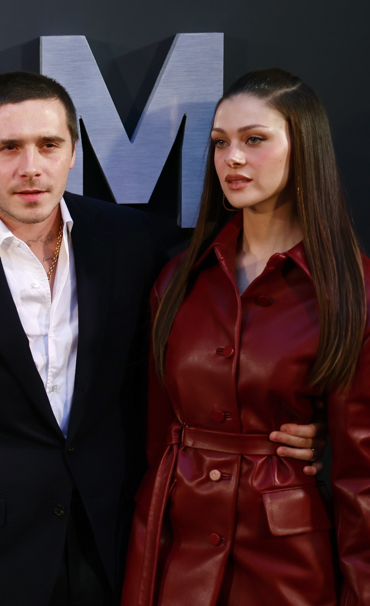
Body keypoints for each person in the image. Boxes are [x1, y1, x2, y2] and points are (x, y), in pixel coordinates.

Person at [0, 71, 326, 606]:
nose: (31, 166)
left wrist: (307, 435)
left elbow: (172, 377)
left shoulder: (128, 242)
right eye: (8, 147)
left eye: (48, 145)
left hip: (112, 545)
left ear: (73, 152)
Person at [121, 68, 370, 606]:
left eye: (254, 139)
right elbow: (156, 435)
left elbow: (362, 479)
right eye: (220, 142)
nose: (231, 157)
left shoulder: (354, 289)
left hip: (287, 566)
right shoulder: (178, 278)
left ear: (304, 148)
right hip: (176, 553)